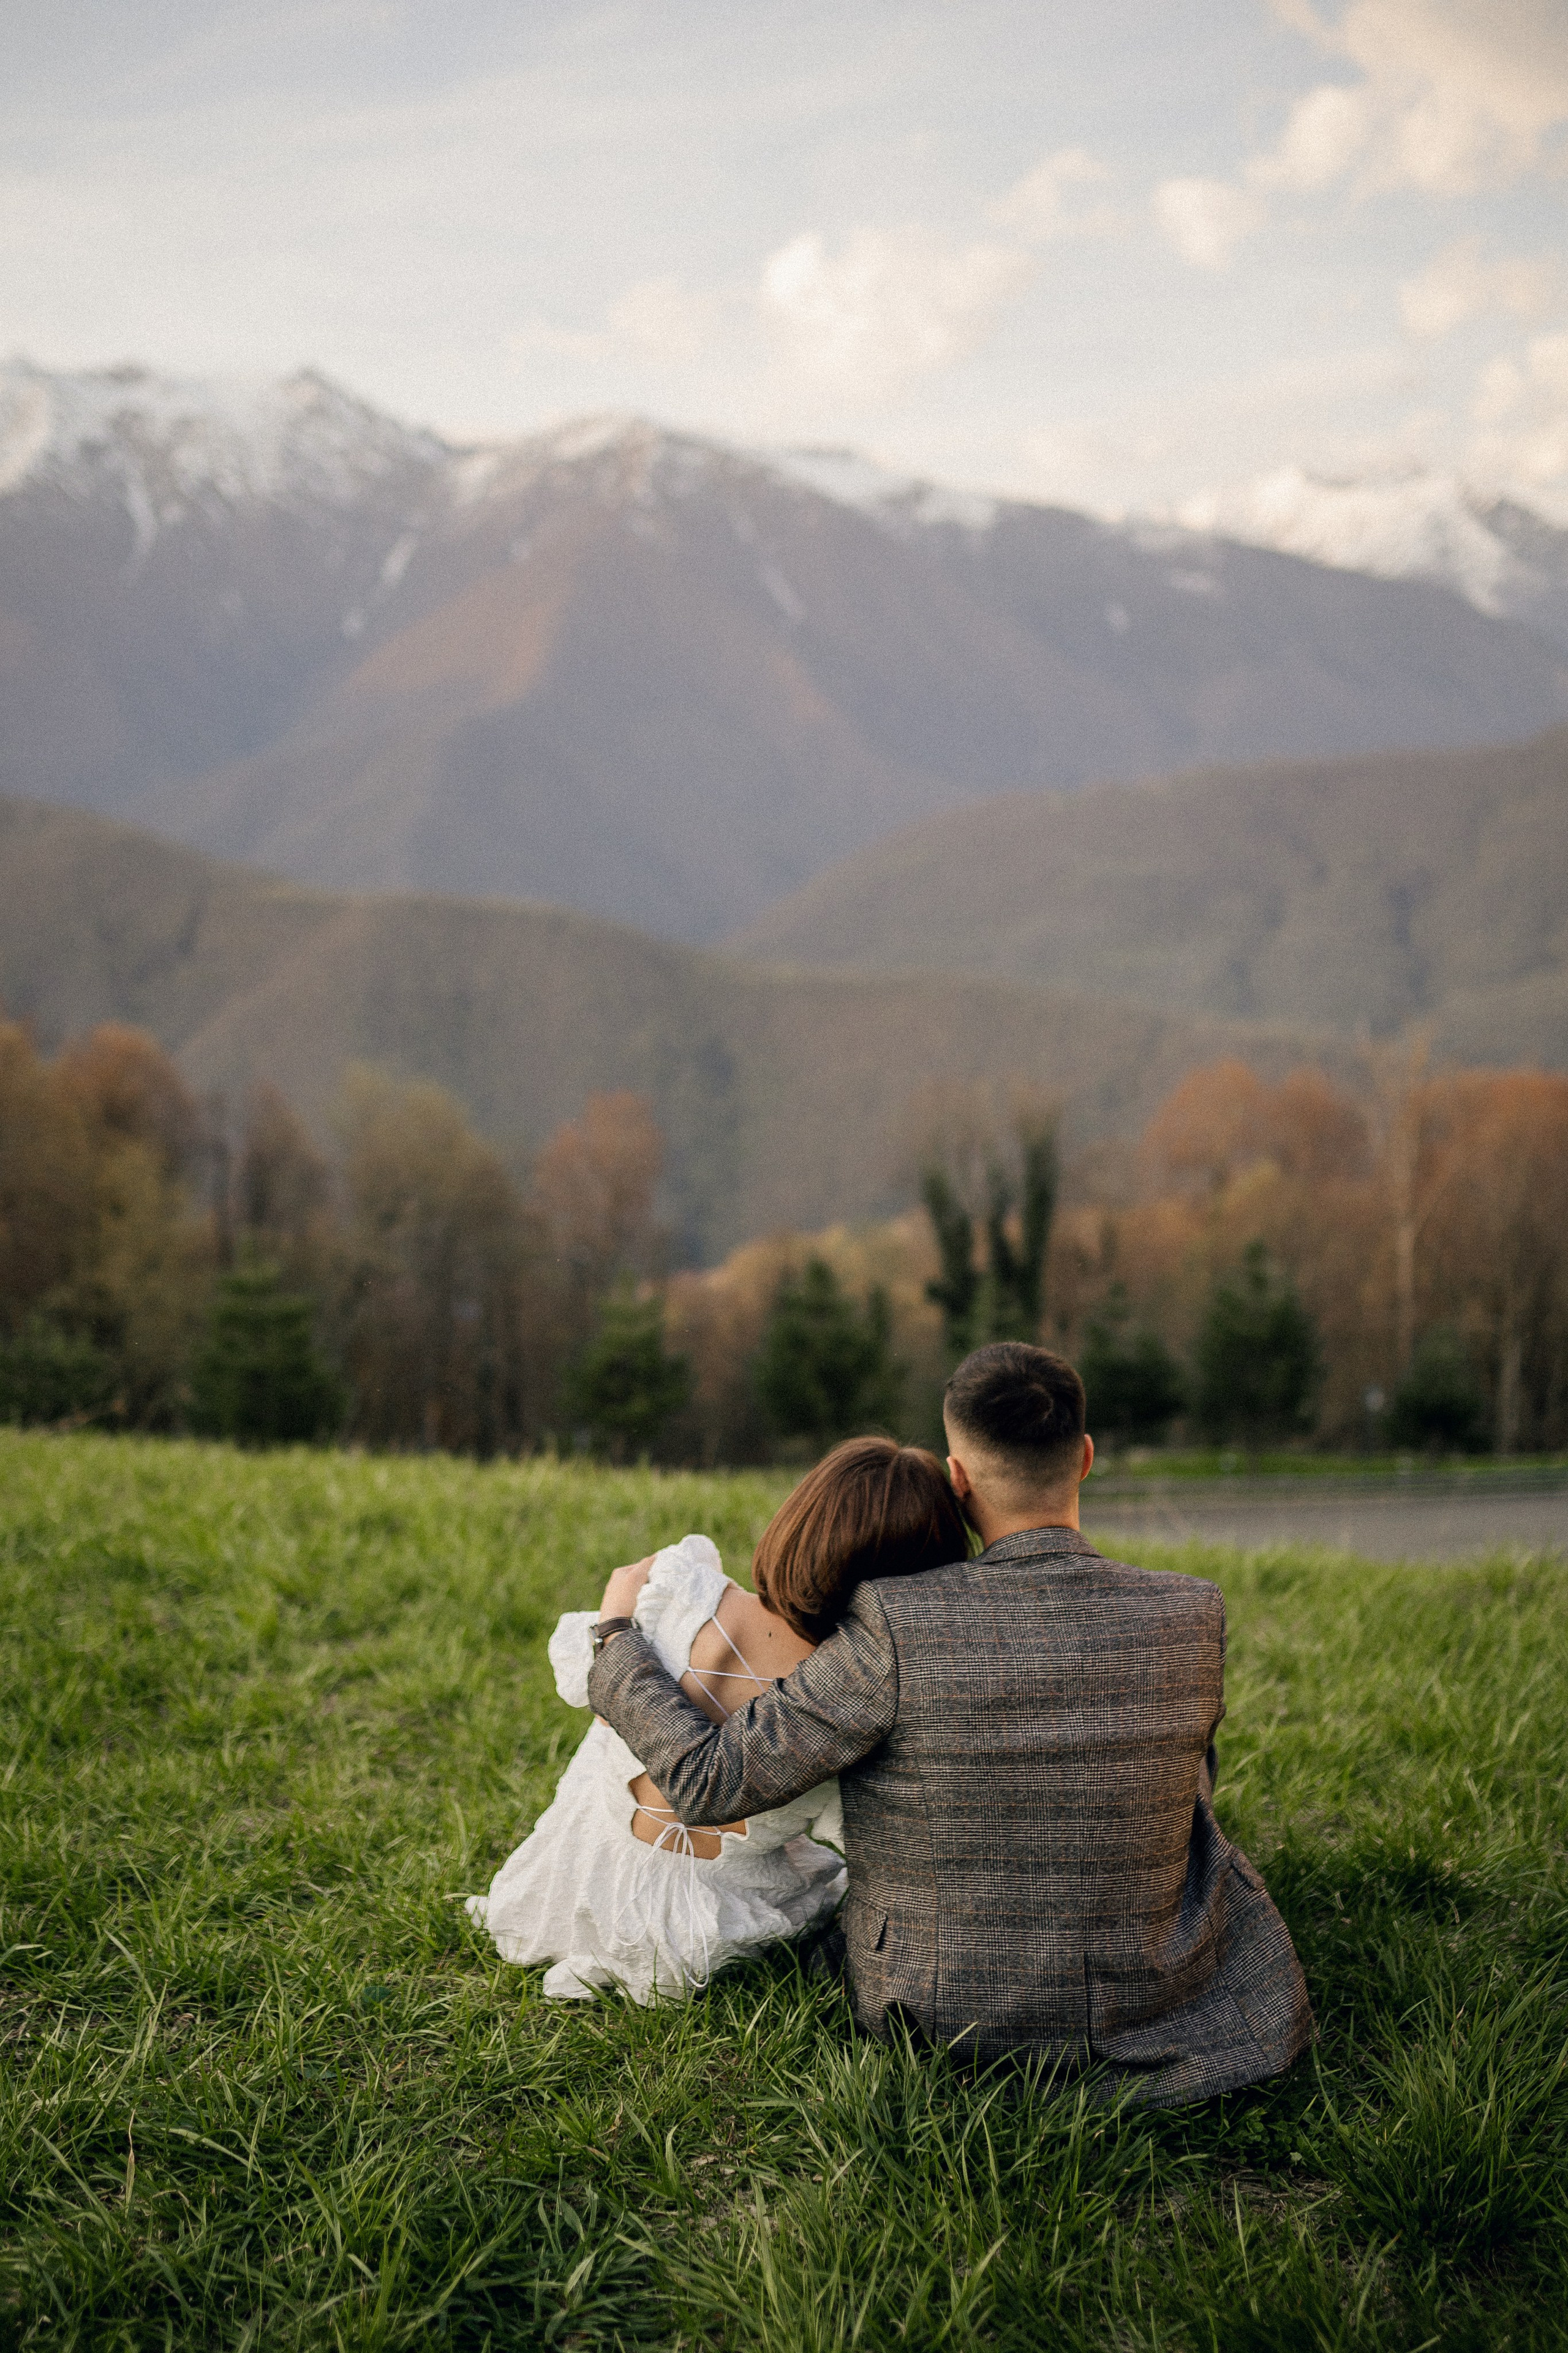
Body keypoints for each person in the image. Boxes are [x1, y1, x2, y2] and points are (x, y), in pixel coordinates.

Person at [588, 1342, 1313, 2104]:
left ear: (957, 1476)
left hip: (942, 2016)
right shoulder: (1190, 1610)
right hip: (1162, 2001)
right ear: (1087, 1457)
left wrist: (613, 1641)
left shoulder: (894, 1622)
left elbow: (710, 1782)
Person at [469, 1437, 969, 2003]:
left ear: (799, 1522)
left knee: (605, 1725)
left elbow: (579, 1673)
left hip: (578, 1880)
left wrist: (617, 1624)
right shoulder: (860, 1707)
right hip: (700, 1926)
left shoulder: (684, 1589)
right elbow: (856, 1834)